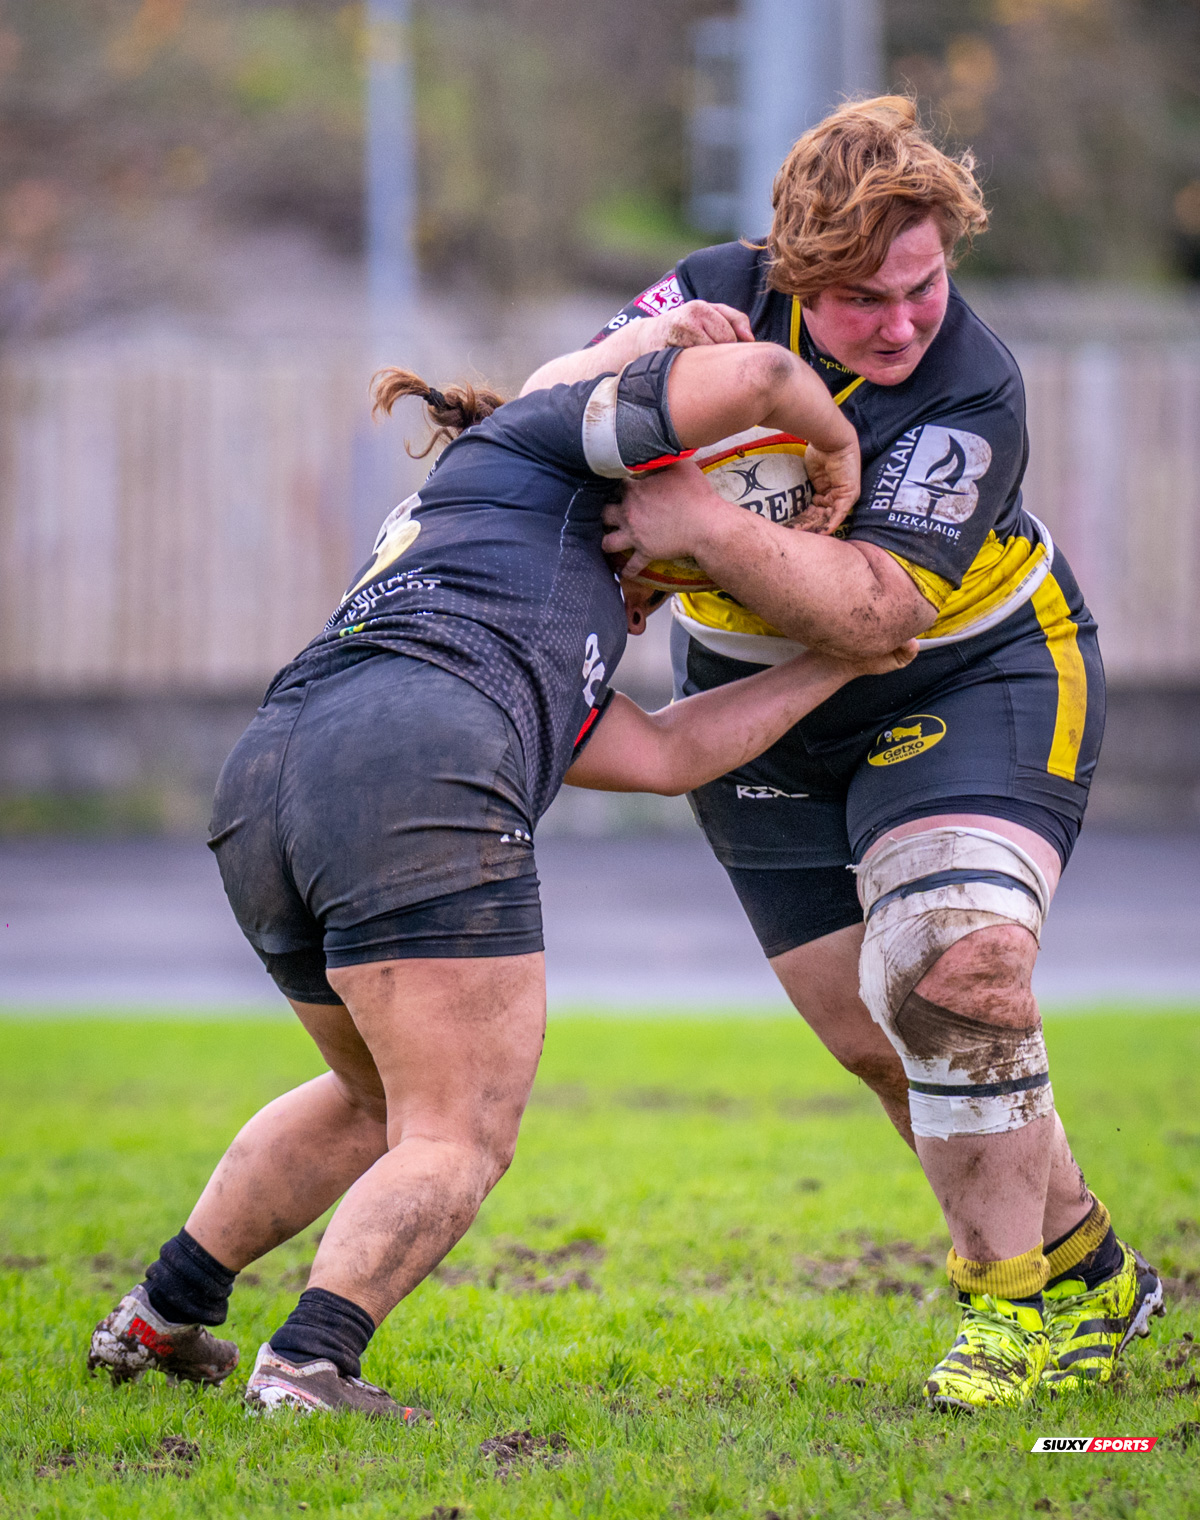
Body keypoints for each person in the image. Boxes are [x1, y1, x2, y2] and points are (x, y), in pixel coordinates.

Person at [87, 337, 914, 1416]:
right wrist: (838, 447)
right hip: (421, 754)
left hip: (272, 773)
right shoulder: (549, 443)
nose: (661, 586)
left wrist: (839, 659)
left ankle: (160, 1314)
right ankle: (310, 1365)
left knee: (373, 1099)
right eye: (667, 569)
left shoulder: (499, 566)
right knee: (459, 1129)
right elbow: (762, 380)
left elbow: (664, 754)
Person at [523, 96, 1162, 1411]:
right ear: (793, 275)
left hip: (972, 666)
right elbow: (539, 414)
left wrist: (697, 518)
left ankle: (1011, 1314)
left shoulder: (970, 381)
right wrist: (644, 347)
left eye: (923, 284)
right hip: (757, 703)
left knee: (952, 967)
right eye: (867, 299)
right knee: (889, 1039)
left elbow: (878, 613)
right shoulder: (717, 295)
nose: (904, 321)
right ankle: (1097, 1275)